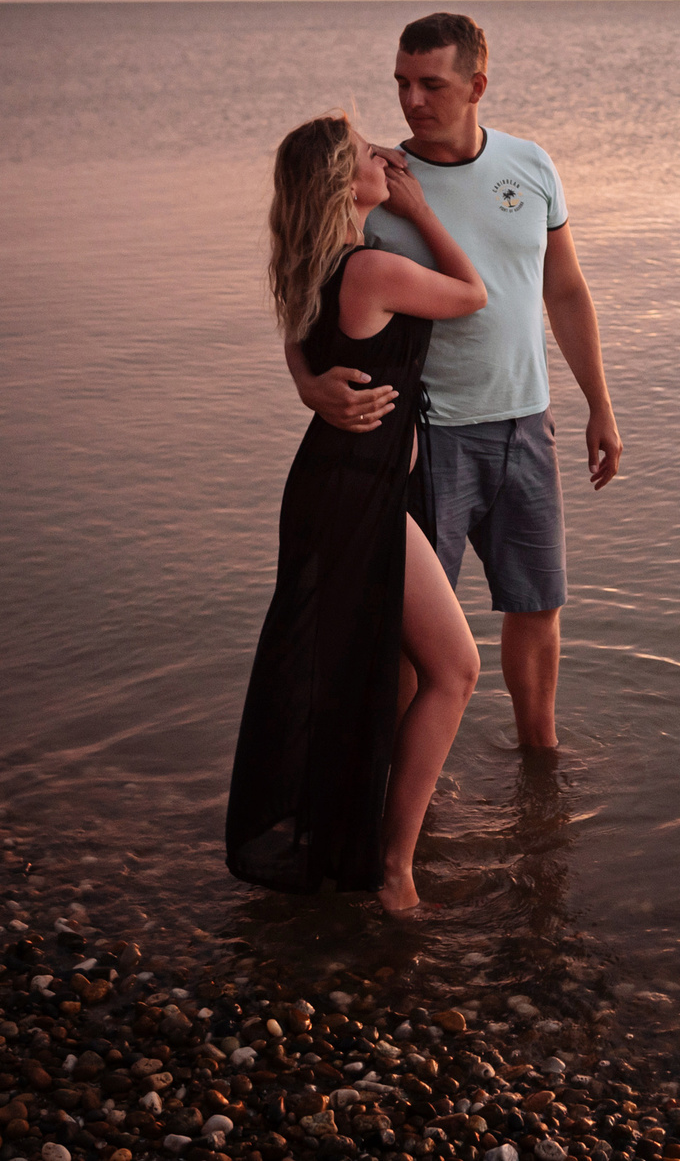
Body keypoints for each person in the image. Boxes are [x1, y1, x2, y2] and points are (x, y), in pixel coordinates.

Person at [305, 12, 621, 751]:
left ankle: (538, 761)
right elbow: (305, 302)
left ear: (477, 84)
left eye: (431, 84)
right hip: (425, 438)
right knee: (419, 627)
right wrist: (308, 383)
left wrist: (599, 404)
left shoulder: (531, 164)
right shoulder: (377, 183)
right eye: (403, 84)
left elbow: (565, 289)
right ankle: (414, 801)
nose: (412, 101)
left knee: (537, 606)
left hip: (526, 425)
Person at [224, 113, 487, 912]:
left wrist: (306, 382)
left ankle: (358, 842)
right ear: (348, 186)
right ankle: (393, 867)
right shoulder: (372, 268)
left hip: (338, 485)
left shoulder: (316, 267)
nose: (386, 155)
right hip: (356, 494)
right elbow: (473, 294)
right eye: (369, 153)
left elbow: (295, 339)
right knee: (455, 668)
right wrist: (423, 213)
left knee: (355, 671)